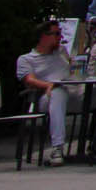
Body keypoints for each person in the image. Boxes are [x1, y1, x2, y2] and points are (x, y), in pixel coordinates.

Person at [17, 21, 78, 165]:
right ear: (43, 37)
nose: (60, 37)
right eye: (56, 34)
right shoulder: (26, 59)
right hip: (47, 98)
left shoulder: (61, 52)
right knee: (58, 92)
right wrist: (49, 85)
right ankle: (58, 147)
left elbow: (72, 71)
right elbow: (29, 80)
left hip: (74, 92)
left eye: (60, 33)